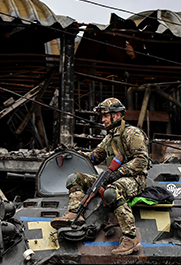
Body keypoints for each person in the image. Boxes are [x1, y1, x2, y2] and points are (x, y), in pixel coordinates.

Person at [51, 97, 149, 255]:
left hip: (134, 179)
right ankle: (75, 213)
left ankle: (130, 238)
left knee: (111, 192)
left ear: (116, 115)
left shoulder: (132, 133)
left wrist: (119, 172)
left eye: (105, 115)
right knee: (74, 178)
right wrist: (70, 154)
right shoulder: (109, 138)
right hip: (113, 176)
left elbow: (142, 161)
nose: (102, 120)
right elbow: (93, 157)